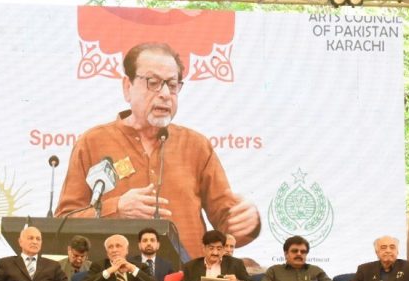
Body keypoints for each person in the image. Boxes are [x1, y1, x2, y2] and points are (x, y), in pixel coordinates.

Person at [55, 42, 260, 258]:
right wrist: (116, 209)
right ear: (127, 87)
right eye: (153, 83)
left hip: (186, 276)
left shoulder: (196, 146)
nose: (165, 94)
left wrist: (247, 222)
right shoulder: (93, 142)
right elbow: (63, 223)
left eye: (172, 85)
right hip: (115, 275)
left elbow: (227, 222)